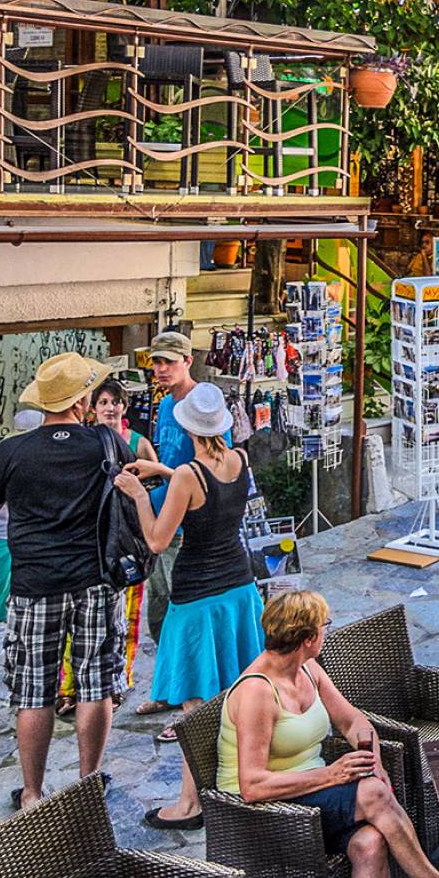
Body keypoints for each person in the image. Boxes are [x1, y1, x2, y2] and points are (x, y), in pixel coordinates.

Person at [221, 590, 439, 878]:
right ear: (308, 638)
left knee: (370, 843)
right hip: (263, 812)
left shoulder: (308, 669)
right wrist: (332, 775)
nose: (327, 631)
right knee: (374, 795)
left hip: (310, 792)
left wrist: (375, 762)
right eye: (325, 625)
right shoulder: (257, 692)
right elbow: (252, 786)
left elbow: (352, 722)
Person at [0, 352, 125, 808]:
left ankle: (33, 793)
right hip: (96, 578)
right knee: (96, 682)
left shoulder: (12, 451)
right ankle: (87, 782)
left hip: (35, 582)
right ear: (81, 401)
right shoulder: (105, 443)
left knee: (33, 689)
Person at [116, 382, 263, 827]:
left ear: (187, 428)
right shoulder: (239, 460)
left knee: (195, 707)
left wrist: (139, 494)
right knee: (236, 694)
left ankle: (190, 802)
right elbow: (203, 484)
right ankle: (233, 782)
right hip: (239, 589)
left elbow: (158, 540)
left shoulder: (185, 476)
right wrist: (161, 469)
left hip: (197, 597)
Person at [51, 379, 154, 720]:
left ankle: (119, 681)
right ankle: (69, 687)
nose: (111, 408)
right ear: (92, 408)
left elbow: (154, 488)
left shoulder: (138, 444)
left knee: (128, 616)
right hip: (88, 542)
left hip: (126, 541)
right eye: (104, 402)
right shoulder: (82, 442)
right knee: (76, 618)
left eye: (116, 402)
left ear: (125, 407)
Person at [140, 328, 198, 672]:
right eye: (156, 362)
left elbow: (211, 474)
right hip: (161, 517)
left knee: (182, 603)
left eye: (169, 362)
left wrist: (158, 469)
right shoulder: (164, 404)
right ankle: (168, 676)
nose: (161, 369)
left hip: (188, 520)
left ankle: (187, 679)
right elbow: (168, 458)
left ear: (188, 361)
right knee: (159, 601)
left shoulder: (203, 405)